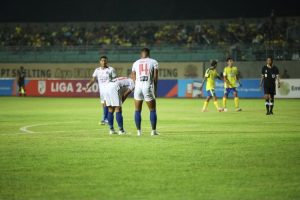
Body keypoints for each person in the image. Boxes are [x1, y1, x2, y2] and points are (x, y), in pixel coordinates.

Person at [131, 48, 159, 136]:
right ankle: (153, 131)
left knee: (137, 110)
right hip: (147, 86)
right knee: (152, 110)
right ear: (149, 54)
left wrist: (136, 85)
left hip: (138, 87)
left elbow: (133, 76)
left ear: (141, 54)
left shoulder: (135, 63)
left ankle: (139, 132)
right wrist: (155, 88)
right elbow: (155, 77)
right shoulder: (154, 62)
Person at [84, 56, 116, 124]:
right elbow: (93, 79)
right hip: (102, 91)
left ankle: (105, 118)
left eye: (105, 60)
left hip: (110, 89)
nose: (103, 62)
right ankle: (106, 118)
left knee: (107, 104)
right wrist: (88, 86)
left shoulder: (111, 69)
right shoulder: (97, 70)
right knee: (104, 104)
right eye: (102, 60)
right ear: (100, 61)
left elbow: (115, 80)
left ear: (107, 61)